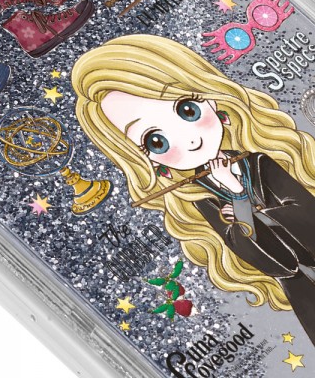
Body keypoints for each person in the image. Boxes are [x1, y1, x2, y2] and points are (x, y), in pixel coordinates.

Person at [72, 34, 315, 344]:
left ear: (210, 100)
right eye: (156, 141)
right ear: (146, 159)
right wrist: (239, 198)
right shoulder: (200, 200)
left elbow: (309, 221)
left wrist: (244, 204)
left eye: (188, 111)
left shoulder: (260, 162)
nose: (189, 140)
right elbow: (273, 262)